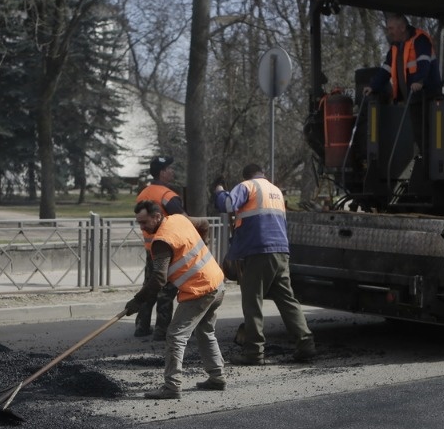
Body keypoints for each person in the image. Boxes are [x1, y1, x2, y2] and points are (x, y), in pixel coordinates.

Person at [213, 164, 315, 365]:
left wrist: (219, 191)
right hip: (280, 251)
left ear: (246, 176)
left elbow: (227, 205)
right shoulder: (275, 191)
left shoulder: (247, 186)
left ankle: (254, 352)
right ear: (263, 174)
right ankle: (306, 344)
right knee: (287, 300)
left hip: (258, 251)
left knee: (252, 301)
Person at [125, 200, 226, 399]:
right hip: (216, 282)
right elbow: (204, 223)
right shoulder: (179, 218)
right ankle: (217, 377)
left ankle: (172, 386)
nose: (142, 228)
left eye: (144, 222)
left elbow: (159, 278)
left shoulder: (162, 240)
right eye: (139, 223)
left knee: (175, 335)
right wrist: (203, 245)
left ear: (156, 216)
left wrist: (138, 300)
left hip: (200, 290)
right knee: (205, 331)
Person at [362, 13, 441, 145]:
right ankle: (422, 160)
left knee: (428, 135)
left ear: (402, 27)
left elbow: (424, 62)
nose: (389, 32)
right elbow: (386, 69)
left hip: (427, 96)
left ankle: (429, 163)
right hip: (412, 99)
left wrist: (419, 81)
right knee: (418, 135)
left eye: (391, 28)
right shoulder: (395, 47)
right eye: (388, 29)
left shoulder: (420, 39)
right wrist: (373, 86)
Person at [133, 156, 183, 341]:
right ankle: (161, 330)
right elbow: (182, 221)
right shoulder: (167, 196)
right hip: (166, 249)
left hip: (149, 248)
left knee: (149, 286)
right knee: (166, 290)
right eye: (170, 169)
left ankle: (141, 326)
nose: (172, 172)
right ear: (162, 172)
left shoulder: (142, 194)